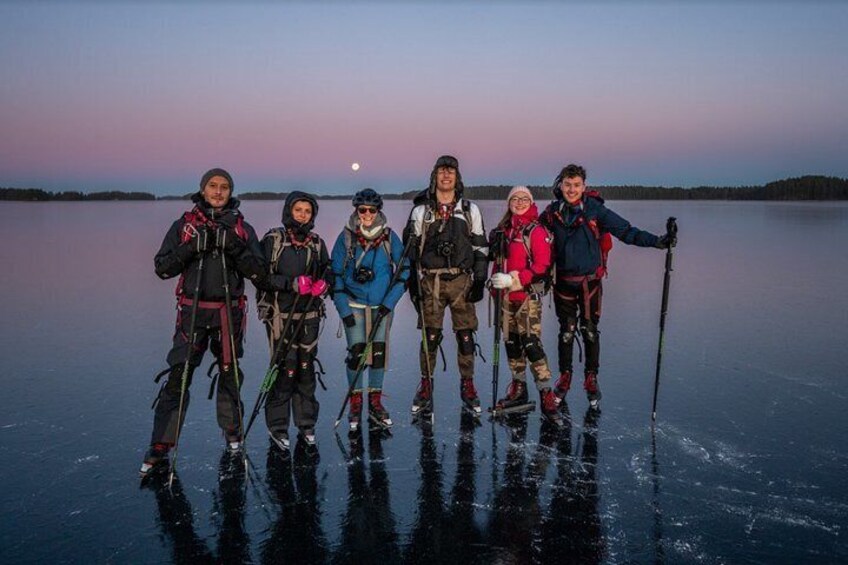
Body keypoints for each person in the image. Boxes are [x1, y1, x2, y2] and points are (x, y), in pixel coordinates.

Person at [141, 168, 265, 475]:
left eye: (224, 187)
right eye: (213, 186)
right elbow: (162, 268)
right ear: (203, 188)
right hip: (192, 313)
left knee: (230, 373)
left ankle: (233, 433)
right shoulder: (184, 226)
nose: (219, 191)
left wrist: (232, 246)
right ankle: (161, 444)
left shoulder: (241, 228)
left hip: (228, 312)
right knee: (179, 376)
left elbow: (259, 273)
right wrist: (192, 247)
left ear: (231, 191)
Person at [541, 164, 676, 409]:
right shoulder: (551, 213)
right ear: (560, 185)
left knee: (590, 330)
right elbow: (533, 236)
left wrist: (659, 242)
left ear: (584, 187)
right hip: (562, 283)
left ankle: (591, 378)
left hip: (590, 283)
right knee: (567, 331)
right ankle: (565, 377)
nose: (572, 189)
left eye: (576, 185)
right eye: (567, 185)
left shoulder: (595, 210)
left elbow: (626, 231)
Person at [404, 155, 489, 415]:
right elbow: (410, 251)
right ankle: (426, 384)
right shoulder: (421, 211)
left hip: (462, 280)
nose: (446, 176)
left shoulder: (469, 209)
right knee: (430, 336)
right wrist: (411, 281)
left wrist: (480, 279)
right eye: (441, 171)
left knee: (465, 335)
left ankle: (468, 383)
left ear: (457, 177)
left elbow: (480, 246)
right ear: (434, 176)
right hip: (431, 281)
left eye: (451, 171)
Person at [254, 191, 331, 449]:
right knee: (285, 369)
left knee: (306, 368)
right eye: (298, 210)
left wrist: (324, 284)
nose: (303, 215)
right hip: (280, 315)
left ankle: (306, 423)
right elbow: (260, 277)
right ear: (289, 211)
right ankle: (278, 425)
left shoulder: (316, 243)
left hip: (309, 315)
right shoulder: (273, 240)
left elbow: (328, 270)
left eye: (307, 211)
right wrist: (291, 284)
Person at [330, 189, 409, 432]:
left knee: (378, 353)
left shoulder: (389, 237)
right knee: (356, 352)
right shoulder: (346, 237)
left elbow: (404, 270)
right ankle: (356, 399)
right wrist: (342, 308)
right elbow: (335, 274)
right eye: (362, 209)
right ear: (356, 210)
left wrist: (390, 302)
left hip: (381, 305)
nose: (366, 214)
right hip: (353, 304)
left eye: (371, 210)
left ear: (378, 211)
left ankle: (375, 399)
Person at [488, 186, 561, 424]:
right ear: (509, 203)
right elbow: (497, 262)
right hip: (505, 300)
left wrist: (514, 279)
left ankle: (546, 392)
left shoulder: (536, 231)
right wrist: (494, 283)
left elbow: (542, 265)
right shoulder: (503, 231)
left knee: (531, 344)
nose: (519, 202)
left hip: (527, 298)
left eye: (524, 199)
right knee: (512, 344)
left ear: (531, 202)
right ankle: (518, 387)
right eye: (515, 199)